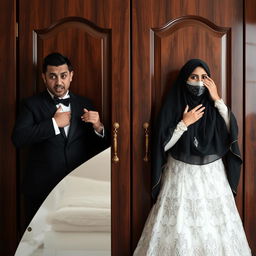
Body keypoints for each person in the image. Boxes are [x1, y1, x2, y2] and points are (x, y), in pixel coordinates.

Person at [133, 59, 251, 256]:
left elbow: (231, 131)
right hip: (181, 176)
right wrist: (183, 124)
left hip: (212, 177)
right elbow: (163, 145)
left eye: (204, 78)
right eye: (193, 77)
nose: (198, 83)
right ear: (184, 79)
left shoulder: (214, 107)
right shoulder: (173, 105)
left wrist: (217, 99)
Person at [12, 52, 109, 223]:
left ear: (71, 76)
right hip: (41, 190)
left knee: (73, 244)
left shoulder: (85, 104)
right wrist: (53, 124)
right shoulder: (31, 105)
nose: (58, 82)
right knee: (41, 246)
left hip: (78, 191)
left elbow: (97, 148)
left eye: (63, 76)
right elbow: (18, 138)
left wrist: (98, 127)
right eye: (52, 76)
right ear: (44, 77)